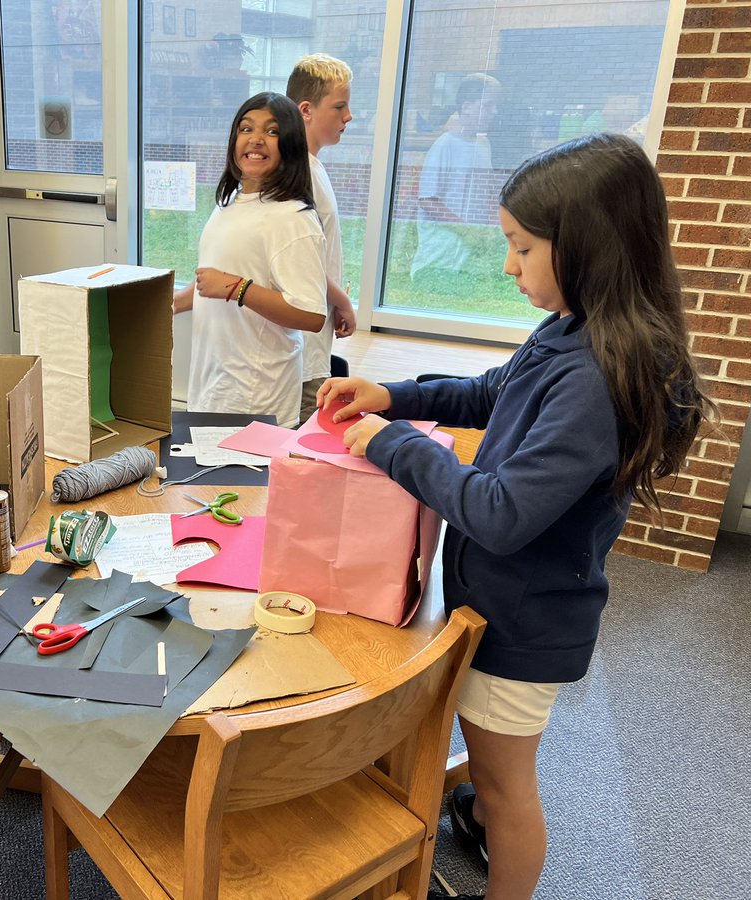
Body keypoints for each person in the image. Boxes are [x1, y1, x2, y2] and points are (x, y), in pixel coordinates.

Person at [317, 133, 713, 900]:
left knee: (507, 790)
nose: (508, 267)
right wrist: (396, 397)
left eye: (523, 248)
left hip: (526, 624)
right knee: (476, 762)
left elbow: (499, 513)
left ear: (590, 248)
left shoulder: (596, 380)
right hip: (492, 600)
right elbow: (492, 391)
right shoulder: (569, 329)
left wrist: (391, 442)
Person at [173, 91, 326, 429]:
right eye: (246, 128)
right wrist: (165, 304)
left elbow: (312, 315)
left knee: (238, 484)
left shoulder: (292, 218)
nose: (256, 140)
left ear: (290, 145)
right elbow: (208, 286)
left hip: (256, 399)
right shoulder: (231, 201)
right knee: (206, 483)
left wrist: (236, 288)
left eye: (272, 132)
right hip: (213, 386)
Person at [286, 53, 357, 424]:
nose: (349, 116)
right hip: (302, 347)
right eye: (340, 106)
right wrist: (342, 301)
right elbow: (305, 259)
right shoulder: (298, 174)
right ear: (306, 110)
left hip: (313, 340)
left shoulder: (313, 167)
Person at [411, 73, 501, 292]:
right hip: (440, 260)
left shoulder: (484, 144)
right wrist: (465, 229)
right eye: (488, 105)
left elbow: (485, 191)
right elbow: (428, 199)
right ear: (467, 106)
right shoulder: (444, 145)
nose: (494, 112)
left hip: (470, 261)